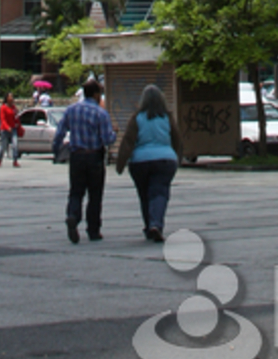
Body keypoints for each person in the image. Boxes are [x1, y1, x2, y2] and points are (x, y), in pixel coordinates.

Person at [115, 83, 183, 242]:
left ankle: (149, 226)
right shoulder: (167, 116)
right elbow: (177, 138)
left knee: (144, 195)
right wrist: (178, 156)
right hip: (165, 160)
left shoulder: (137, 118)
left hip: (140, 162)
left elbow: (128, 141)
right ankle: (156, 224)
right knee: (159, 192)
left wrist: (120, 163)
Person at [53, 78, 117, 243]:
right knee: (95, 195)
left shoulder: (71, 110)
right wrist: (114, 132)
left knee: (76, 191)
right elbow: (107, 139)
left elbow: (60, 132)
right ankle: (93, 230)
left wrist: (56, 150)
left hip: (77, 156)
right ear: (95, 94)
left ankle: (73, 215)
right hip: (94, 156)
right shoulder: (100, 113)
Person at [0, 92, 21, 167]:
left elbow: (16, 117)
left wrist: (17, 122)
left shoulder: (13, 107)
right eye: (10, 97)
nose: (12, 98)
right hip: (5, 130)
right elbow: (2, 120)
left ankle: (15, 160)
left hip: (13, 128)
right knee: (3, 146)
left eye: (12, 97)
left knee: (15, 144)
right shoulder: (3, 108)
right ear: (7, 98)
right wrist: (7, 127)